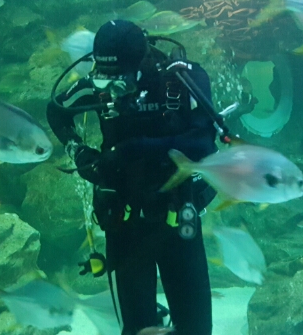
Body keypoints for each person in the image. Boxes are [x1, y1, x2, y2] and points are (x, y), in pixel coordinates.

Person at [47, 19, 218, 335]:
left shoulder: (181, 80)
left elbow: (203, 143)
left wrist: (132, 149)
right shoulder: (97, 85)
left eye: (120, 77)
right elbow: (56, 111)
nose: (111, 86)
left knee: (196, 329)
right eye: (104, 75)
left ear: (142, 61)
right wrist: (78, 152)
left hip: (177, 215)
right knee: (137, 330)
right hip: (123, 222)